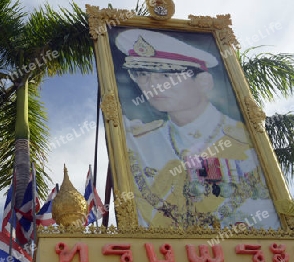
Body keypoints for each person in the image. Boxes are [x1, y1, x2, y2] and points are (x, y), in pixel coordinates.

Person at [115, 28, 280, 229]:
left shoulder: (245, 141)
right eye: (142, 74)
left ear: (203, 81)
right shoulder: (139, 141)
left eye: (167, 76)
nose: (153, 85)